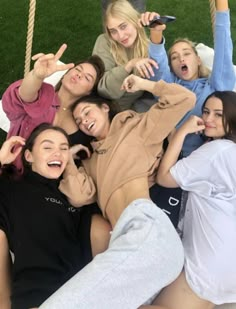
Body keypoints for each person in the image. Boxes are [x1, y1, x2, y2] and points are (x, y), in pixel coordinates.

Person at [36, 78, 196, 309]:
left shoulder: (137, 129)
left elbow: (184, 99)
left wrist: (144, 83)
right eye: (79, 121)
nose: (84, 121)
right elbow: (79, 196)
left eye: (88, 112)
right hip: (124, 241)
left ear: (105, 107)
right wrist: (69, 159)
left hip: (148, 228)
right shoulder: (91, 163)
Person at [0, 123, 111, 309]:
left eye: (64, 148)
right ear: (28, 156)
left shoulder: (73, 197)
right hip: (40, 297)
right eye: (48, 147)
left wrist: (70, 164)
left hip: (88, 296)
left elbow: (83, 199)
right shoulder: (13, 190)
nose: (58, 153)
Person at [153, 91, 236, 309]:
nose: (208, 119)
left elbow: (164, 178)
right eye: (206, 112)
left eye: (219, 114)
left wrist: (181, 133)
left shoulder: (216, 151)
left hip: (210, 263)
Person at [146, 0, 235, 157]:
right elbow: (158, 67)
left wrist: (221, 3)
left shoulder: (216, 86)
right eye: (174, 57)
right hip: (189, 164)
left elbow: (223, 47)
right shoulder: (171, 88)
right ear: (172, 68)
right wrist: (156, 30)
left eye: (187, 53)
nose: (181, 59)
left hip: (225, 154)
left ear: (198, 59)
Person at [2, 43, 105, 171]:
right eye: (78, 70)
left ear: (89, 92)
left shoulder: (83, 119)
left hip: (47, 187)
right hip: (12, 171)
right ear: (65, 75)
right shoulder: (41, 95)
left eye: (87, 78)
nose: (79, 75)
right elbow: (23, 96)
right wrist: (37, 75)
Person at [93, 0, 158, 111]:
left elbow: (163, 82)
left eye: (123, 26)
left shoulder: (149, 47)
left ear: (135, 21)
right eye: (113, 31)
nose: (120, 36)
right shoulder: (105, 41)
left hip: (127, 113)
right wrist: (130, 65)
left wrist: (157, 32)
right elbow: (104, 90)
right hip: (101, 109)